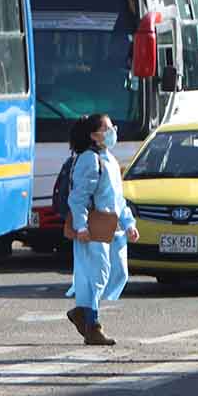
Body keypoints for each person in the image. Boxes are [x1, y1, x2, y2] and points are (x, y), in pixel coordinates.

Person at [65, 113, 138, 346]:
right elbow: (78, 198)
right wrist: (81, 226)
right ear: (94, 136)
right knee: (98, 276)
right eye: (107, 128)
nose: (112, 131)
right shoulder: (89, 159)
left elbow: (118, 199)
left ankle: (83, 312)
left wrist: (129, 223)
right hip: (94, 227)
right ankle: (92, 325)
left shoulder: (111, 160)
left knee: (119, 273)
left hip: (113, 228)